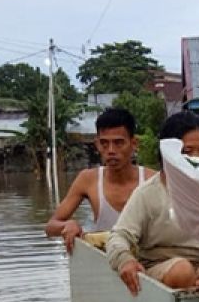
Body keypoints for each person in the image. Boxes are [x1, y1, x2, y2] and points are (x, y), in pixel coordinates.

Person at [104, 112, 199, 294]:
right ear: (168, 154)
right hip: (164, 269)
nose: (197, 159)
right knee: (182, 271)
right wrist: (125, 260)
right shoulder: (148, 193)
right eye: (187, 151)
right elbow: (119, 236)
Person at [45, 108, 156, 253]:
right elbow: (50, 227)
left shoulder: (153, 180)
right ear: (97, 144)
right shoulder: (87, 179)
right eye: (104, 143)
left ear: (134, 144)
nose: (110, 150)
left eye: (118, 143)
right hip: (105, 260)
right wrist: (67, 225)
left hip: (146, 261)